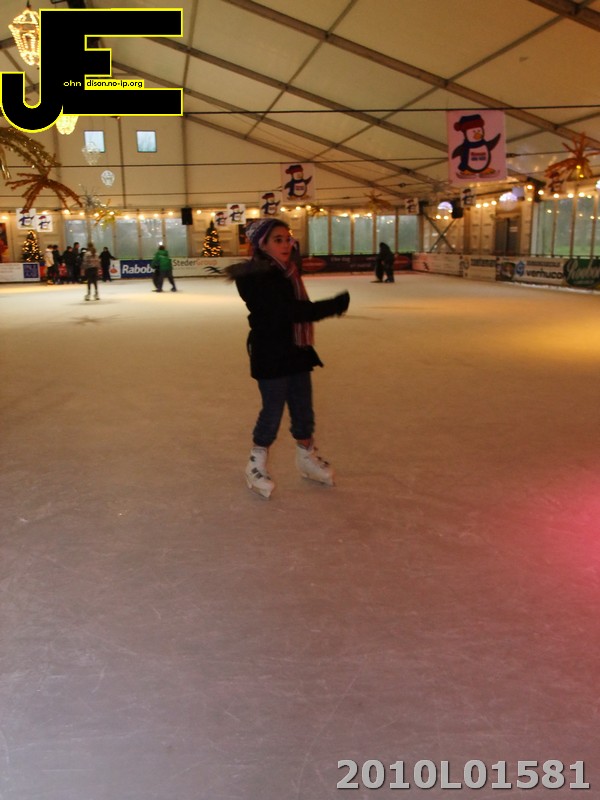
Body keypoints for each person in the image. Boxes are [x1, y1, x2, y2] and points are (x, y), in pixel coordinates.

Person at [224, 218, 350, 499]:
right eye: (278, 240)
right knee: (272, 411)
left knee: (303, 409)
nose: (286, 245)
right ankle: (255, 464)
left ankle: (306, 457)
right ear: (262, 245)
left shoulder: (287, 272)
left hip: (296, 350)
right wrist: (333, 306)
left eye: (288, 239)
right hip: (271, 353)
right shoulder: (256, 278)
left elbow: (295, 310)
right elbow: (290, 312)